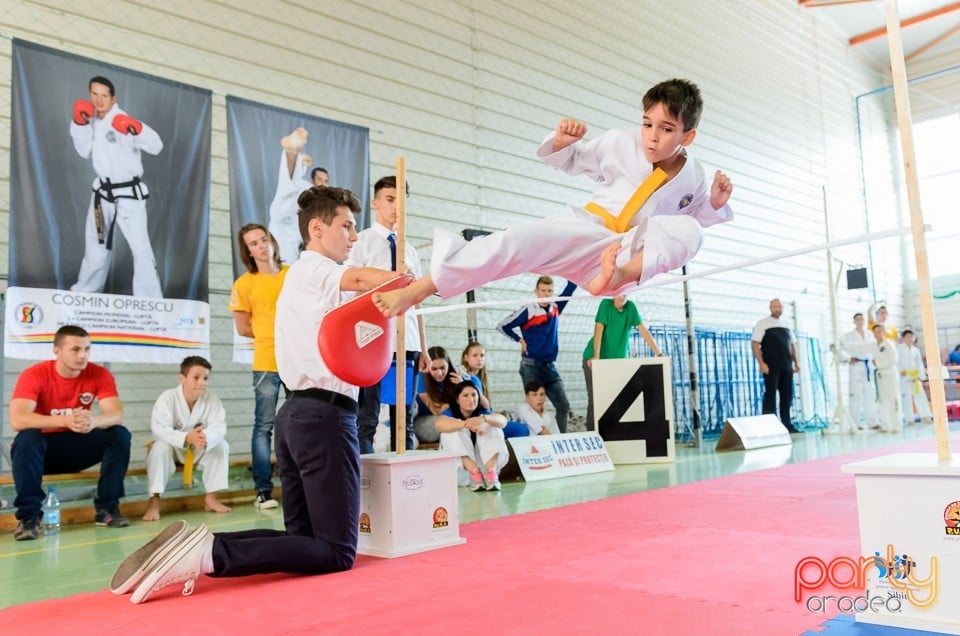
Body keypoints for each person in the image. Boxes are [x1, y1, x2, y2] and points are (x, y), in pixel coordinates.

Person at [115, 186, 400, 604]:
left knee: (303, 540)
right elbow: (360, 277)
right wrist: (413, 281)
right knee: (337, 551)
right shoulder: (315, 269)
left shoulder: (305, 280)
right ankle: (209, 553)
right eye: (347, 226)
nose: (354, 237)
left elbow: (360, 295)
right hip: (323, 417)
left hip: (297, 416)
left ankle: (198, 545)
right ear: (318, 228)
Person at [372, 78, 733, 317]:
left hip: (624, 257)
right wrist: (562, 141)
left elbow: (690, 221)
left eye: (666, 129)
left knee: (691, 232)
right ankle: (417, 290)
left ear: (688, 136)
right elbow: (571, 161)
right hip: (587, 231)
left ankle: (613, 277)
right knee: (514, 241)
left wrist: (714, 203)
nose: (652, 137)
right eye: (647, 124)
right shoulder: (619, 142)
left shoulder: (695, 175)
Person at [10, 325, 131, 540]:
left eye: (87, 349)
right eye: (75, 349)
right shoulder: (34, 375)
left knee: (119, 434)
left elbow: (116, 414)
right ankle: (29, 518)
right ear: (57, 351)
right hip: (43, 453)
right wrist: (66, 420)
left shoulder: (99, 374)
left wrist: (94, 421)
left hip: (77, 449)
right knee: (26, 438)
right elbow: (17, 419)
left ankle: (107, 509)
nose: (83, 355)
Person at [345, 176, 429, 453]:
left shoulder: (411, 251)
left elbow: (418, 300)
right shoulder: (362, 243)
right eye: (390, 200)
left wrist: (424, 348)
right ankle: (365, 481)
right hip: (374, 340)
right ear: (376, 202)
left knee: (404, 417)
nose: (396, 208)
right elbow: (349, 291)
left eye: (402, 202)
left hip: (409, 344)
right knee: (367, 417)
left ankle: (405, 483)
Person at [69, 75, 163, 297]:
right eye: (95, 94)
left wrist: (136, 128)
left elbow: (156, 145)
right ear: (89, 94)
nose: (99, 100)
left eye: (104, 95)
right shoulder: (90, 119)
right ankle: (85, 292)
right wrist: (79, 123)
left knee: (140, 248)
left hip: (129, 194)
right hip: (102, 193)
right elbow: (83, 150)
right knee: (96, 245)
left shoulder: (122, 119)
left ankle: (149, 299)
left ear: (113, 98)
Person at [229, 223, 288, 510]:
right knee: (263, 426)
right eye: (253, 243)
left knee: (295, 425)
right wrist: (269, 334)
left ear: (272, 240)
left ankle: (295, 484)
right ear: (248, 251)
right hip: (266, 362)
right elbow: (242, 328)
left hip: (295, 360)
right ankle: (263, 491)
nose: (261, 246)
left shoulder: (291, 275)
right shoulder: (244, 284)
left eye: (263, 239)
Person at [142, 356, 231, 522]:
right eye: (196, 378)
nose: (202, 383)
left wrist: (205, 436)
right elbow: (159, 428)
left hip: (198, 446)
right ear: (182, 378)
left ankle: (211, 498)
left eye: (205, 378)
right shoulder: (168, 398)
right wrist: (186, 437)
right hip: (173, 447)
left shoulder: (211, 398)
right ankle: (154, 502)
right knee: (159, 448)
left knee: (221, 446)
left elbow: (219, 426)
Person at [496, 276, 576, 432]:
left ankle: (559, 440)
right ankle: (536, 440)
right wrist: (519, 340)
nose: (547, 294)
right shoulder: (529, 309)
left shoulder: (556, 307)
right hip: (531, 365)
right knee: (532, 408)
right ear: (536, 292)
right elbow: (502, 326)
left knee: (563, 405)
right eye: (543, 290)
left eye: (550, 291)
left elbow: (571, 287)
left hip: (549, 366)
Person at [582, 294, 662, 431]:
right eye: (618, 293)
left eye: (625, 293)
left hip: (616, 363)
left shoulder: (630, 307)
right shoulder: (605, 305)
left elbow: (643, 330)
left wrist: (658, 353)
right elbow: (598, 330)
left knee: (616, 400)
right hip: (595, 360)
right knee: (596, 400)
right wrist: (596, 356)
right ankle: (592, 435)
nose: (621, 297)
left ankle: (613, 435)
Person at [434, 382, 509, 491]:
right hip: (460, 471)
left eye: (474, 395)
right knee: (451, 430)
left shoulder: (482, 413)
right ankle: (474, 473)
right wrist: (466, 424)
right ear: (457, 399)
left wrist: (483, 419)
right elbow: (439, 424)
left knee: (492, 426)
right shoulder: (450, 412)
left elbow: (503, 421)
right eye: (465, 395)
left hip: (484, 470)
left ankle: (491, 473)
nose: (471, 399)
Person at [751, 298, 800, 433]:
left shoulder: (786, 324)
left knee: (786, 395)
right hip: (771, 365)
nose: (776, 309)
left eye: (779, 306)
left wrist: (796, 362)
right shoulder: (762, 323)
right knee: (770, 395)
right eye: (774, 306)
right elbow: (755, 344)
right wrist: (761, 363)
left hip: (786, 365)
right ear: (770, 308)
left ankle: (787, 424)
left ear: (782, 308)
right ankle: (769, 426)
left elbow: (792, 344)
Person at [268, 127, 314, 265]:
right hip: (282, 223)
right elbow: (290, 184)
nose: (323, 184)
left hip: (296, 233)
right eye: (320, 180)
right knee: (288, 189)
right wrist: (295, 156)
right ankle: (292, 153)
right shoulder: (300, 186)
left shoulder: (308, 188)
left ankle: (294, 155)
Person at [413, 346, 461, 445]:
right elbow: (436, 410)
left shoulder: (455, 377)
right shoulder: (421, 377)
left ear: (449, 365)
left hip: (447, 418)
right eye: (434, 369)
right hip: (421, 422)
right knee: (451, 424)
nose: (439, 373)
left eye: (443, 368)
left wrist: (462, 386)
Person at [839, 312, 879, 430]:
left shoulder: (870, 334)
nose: (860, 321)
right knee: (855, 395)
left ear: (864, 321)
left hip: (868, 366)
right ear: (854, 321)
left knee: (870, 394)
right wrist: (847, 359)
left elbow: (874, 349)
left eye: (862, 319)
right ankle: (854, 423)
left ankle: (872, 421)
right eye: (857, 319)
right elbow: (840, 349)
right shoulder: (848, 336)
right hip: (856, 365)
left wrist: (875, 360)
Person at [897, 329, 933, 426]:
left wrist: (920, 376)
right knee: (907, 399)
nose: (910, 338)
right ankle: (909, 419)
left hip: (915, 377)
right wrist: (901, 371)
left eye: (911, 336)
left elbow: (919, 364)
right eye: (907, 336)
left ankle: (925, 416)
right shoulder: (899, 349)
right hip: (905, 377)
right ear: (903, 338)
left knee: (921, 397)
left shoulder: (916, 350)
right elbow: (897, 362)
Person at [872, 323, 903, 433]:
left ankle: (896, 425)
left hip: (890, 374)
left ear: (884, 332)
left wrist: (877, 362)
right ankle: (886, 425)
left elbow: (894, 359)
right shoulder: (875, 345)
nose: (878, 334)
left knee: (893, 399)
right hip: (880, 375)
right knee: (882, 400)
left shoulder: (889, 344)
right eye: (875, 332)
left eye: (880, 331)